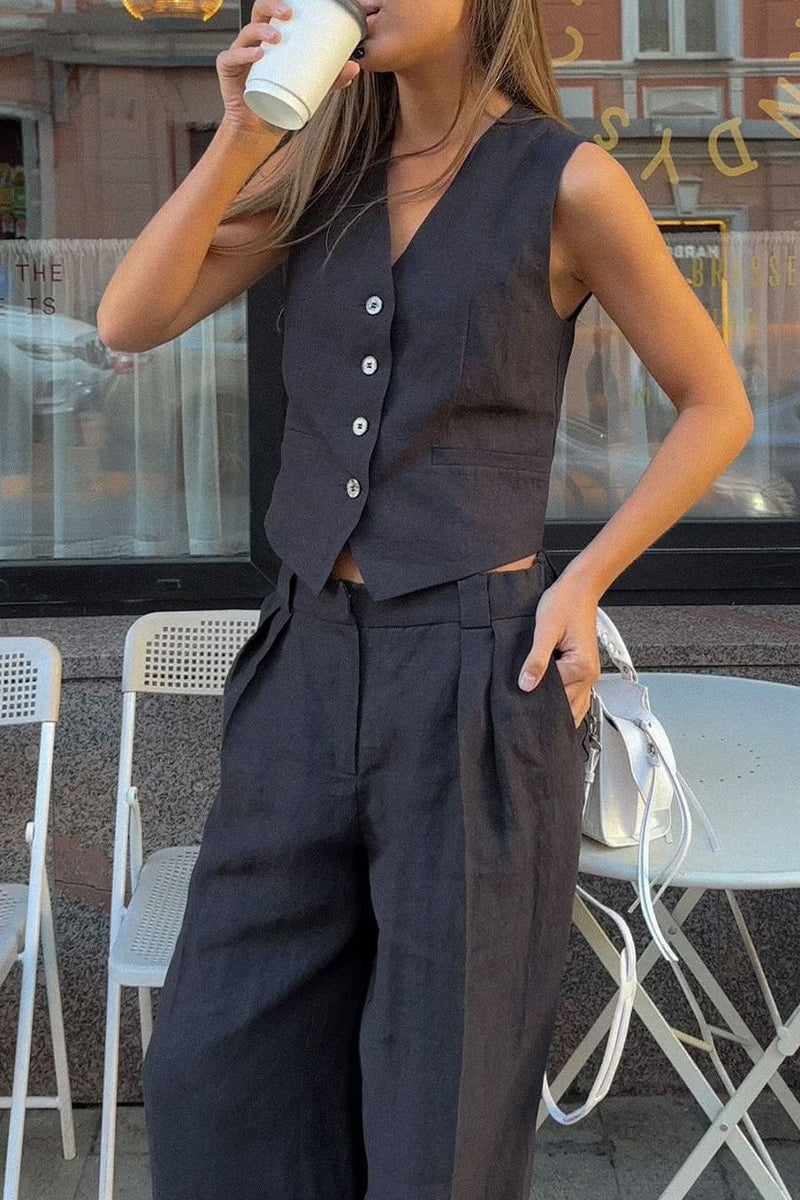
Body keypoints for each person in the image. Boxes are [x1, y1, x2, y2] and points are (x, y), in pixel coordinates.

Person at [97, 1, 754, 1196]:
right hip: (302, 666)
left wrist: (582, 579)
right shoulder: (322, 171)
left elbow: (715, 405)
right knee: (216, 1068)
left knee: (438, 1104)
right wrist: (241, 130)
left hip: (471, 676)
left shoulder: (566, 181)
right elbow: (128, 316)